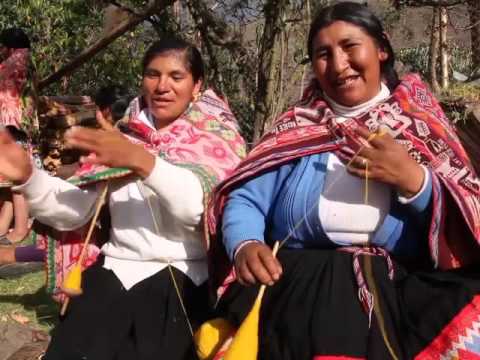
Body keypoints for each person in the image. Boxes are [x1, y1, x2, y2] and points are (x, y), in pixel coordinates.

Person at [207, 3, 480, 359]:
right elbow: (246, 198)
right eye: (323, 54)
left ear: (381, 49)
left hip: (394, 286)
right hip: (295, 284)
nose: (338, 65)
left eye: (351, 47)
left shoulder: (420, 124)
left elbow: (467, 212)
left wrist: (416, 181)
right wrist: (245, 244)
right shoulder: (298, 126)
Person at [0, 37, 245, 360]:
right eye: (152, 74)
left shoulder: (218, 138)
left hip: (184, 283)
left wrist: (141, 161)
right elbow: (76, 212)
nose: (161, 86)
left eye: (176, 76)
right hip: (114, 273)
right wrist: (30, 178)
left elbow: (198, 211)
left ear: (197, 84)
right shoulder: (123, 137)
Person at [0, 84, 133, 270]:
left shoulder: (111, 145)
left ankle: (13, 256)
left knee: (69, 228)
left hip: (109, 238)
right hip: (122, 234)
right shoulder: (137, 140)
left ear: (104, 112)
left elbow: (86, 195)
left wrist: (41, 177)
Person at [0, 27, 37, 245]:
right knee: (11, 179)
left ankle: (20, 228)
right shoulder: (27, 61)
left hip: (11, 126)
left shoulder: (12, 63)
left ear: (9, 46)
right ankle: (5, 225)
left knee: (16, 180)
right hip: (22, 125)